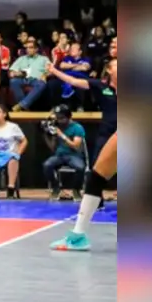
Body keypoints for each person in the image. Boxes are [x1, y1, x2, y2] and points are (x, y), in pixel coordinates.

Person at [50, 55, 118, 251]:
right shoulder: (101, 86)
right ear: (109, 70)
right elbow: (73, 81)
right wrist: (53, 70)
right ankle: (78, 235)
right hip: (112, 132)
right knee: (96, 177)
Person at [41, 104, 86, 200]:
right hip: (59, 155)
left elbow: (76, 146)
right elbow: (52, 148)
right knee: (47, 165)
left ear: (68, 117)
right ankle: (56, 188)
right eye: (57, 118)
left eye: (61, 118)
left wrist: (61, 135)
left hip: (74, 155)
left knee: (80, 167)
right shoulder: (56, 126)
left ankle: (76, 189)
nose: (59, 120)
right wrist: (46, 135)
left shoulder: (77, 127)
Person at [8, 40, 51, 111]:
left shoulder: (44, 59)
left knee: (42, 84)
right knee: (13, 81)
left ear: (36, 49)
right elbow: (11, 71)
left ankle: (22, 105)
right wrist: (15, 73)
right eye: (27, 48)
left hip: (36, 79)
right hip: (22, 79)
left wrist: (45, 75)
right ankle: (23, 106)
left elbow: (51, 71)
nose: (28, 50)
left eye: (30, 47)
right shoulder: (21, 59)